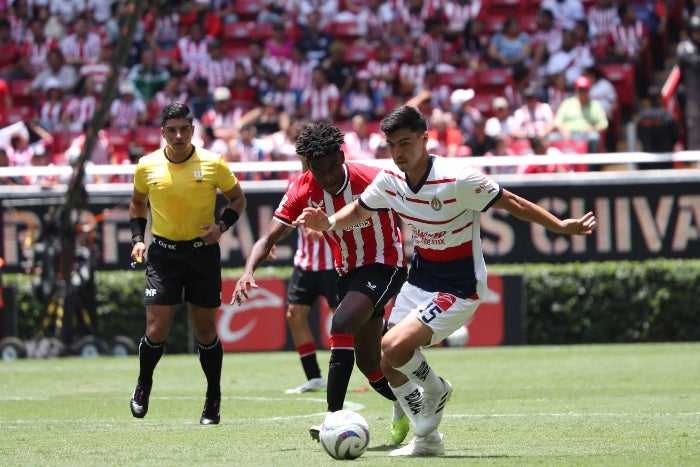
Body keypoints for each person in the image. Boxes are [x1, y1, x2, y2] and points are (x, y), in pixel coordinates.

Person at [295, 105, 596, 457]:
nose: (399, 152)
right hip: (421, 279)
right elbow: (360, 210)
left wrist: (560, 226)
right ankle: (428, 441)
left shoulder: (458, 178)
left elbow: (511, 202)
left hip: (459, 286)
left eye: (406, 143)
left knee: (395, 347)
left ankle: (436, 390)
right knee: (385, 362)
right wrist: (329, 224)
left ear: (425, 138)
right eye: (392, 145)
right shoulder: (390, 180)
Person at [231, 123, 411, 445]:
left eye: (331, 167)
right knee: (369, 364)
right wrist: (248, 272)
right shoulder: (302, 188)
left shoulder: (371, 178)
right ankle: (414, 400)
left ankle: (333, 417)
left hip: (386, 263)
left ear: (341, 156)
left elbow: (416, 204)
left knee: (340, 322)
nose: (326, 177)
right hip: (348, 272)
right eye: (318, 170)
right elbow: (268, 237)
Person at [128, 102, 246, 425]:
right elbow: (138, 203)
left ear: (193, 131)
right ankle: (144, 384)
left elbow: (238, 199)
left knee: (206, 332)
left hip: (201, 255)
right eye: (171, 130)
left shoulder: (213, 163)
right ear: (162, 132)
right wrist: (139, 239)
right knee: (156, 329)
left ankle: (212, 399)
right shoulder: (146, 166)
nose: (178, 136)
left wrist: (220, 227)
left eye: (184, 129)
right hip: (163, 255)